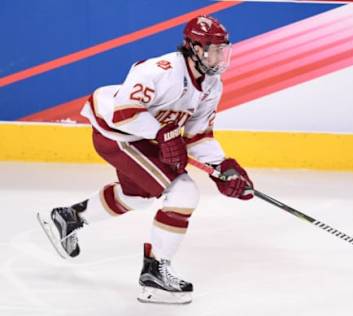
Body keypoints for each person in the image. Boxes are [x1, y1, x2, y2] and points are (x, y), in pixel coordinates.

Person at [36, 15, 254, 305]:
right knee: (184, 192)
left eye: (221, 49)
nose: (218, 56)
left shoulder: (212, 85)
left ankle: (69, 218)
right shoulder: (161, 70)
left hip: (139, 137)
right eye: (211, 49)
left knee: (136, 196)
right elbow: (124, 114)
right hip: (117, 133)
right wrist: (163, 135)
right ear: (193, 48)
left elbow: (197, 134)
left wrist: (222, 166)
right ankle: (154, 274)